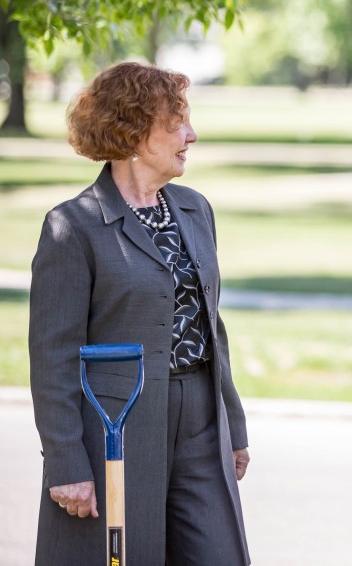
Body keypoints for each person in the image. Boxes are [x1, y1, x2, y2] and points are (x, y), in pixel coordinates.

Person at [29, 61, 251, 564]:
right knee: (128, 556)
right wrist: (66, 461)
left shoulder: (194, 208)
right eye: (175, 123)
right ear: (131, 131)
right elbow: (52, 356)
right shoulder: (73, 227)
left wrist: (232, 426)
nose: (190, 135)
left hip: (201, 419)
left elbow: (211, 326)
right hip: (117, 424)